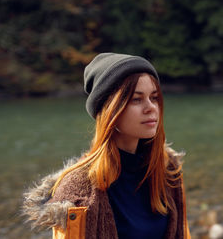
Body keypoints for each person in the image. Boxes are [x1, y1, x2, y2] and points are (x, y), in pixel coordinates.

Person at [22, 53, 190, 239]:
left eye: (154, 97)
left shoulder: (167, 168)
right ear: (110, 110)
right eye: (136, 99)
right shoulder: (77, 191)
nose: (151, 107)